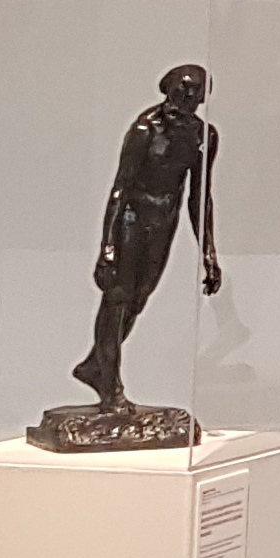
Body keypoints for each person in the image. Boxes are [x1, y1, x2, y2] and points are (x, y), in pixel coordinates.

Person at [71, 62, 221, 409]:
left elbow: (199, 198)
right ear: (167, 87)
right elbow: (120, 189)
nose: (188, 95)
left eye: (196, 90)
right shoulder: (145, 129)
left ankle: (96, 365)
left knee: (138, 299)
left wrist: (209, 253)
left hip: (163, 224)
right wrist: (108, 246)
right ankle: (110, 386)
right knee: (118, 298)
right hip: (130, 220)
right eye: (182, 87)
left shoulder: (204, 136)